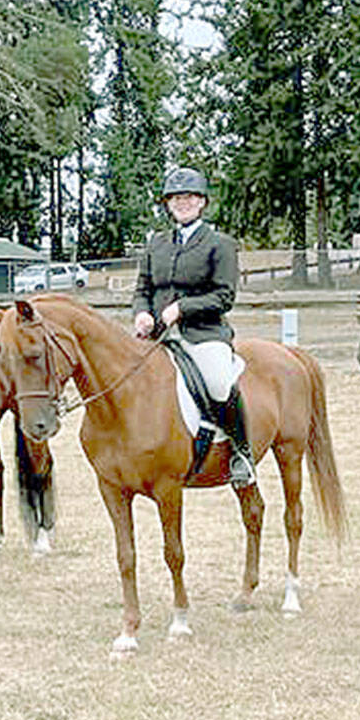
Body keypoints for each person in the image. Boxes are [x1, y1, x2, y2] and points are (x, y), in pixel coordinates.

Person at [132, 167, 256, 488]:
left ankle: (241, 453)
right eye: (176, 198)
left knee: (217, 382)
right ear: (168, 203)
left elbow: (224, 296)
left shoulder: (220, 244)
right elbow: (143, 288)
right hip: (158, 335)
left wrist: (182, 308)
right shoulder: (156, 244)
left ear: (202, 202)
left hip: (203, 334)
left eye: (189, 197)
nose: (182, 203)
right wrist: (142, 314)